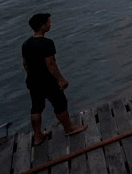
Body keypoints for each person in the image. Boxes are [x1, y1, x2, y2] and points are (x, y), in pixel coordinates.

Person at [22, 13, 87, 145]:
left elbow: (25, 64)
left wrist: (31, 76)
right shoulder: (47, 43)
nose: (50, 24)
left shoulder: (26, 44)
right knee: (60, 103)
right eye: (48, 22)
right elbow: (50, 64)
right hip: (48, 81)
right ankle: (69, 128)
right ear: (42, 25)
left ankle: (38, 136)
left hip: (33, 81)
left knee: (36, 107)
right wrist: (61, 79)